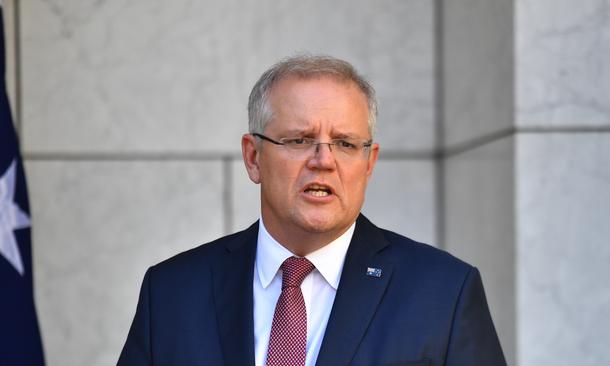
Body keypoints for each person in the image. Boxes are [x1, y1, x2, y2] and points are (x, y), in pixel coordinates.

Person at [118, 55, 506, 366]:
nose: (323, 160)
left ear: (368, 164)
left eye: (345, 144)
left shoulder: (444, 293)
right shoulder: (171, 293)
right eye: (299, 139)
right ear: (253, 158)